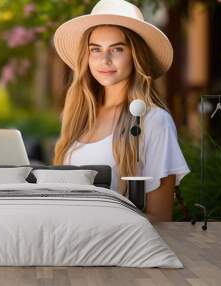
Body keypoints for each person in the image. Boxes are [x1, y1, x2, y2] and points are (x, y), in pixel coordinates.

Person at [52, 0, 190, 222]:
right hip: (66, 244)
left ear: (135, 54)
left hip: (114, 250)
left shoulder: (154, 121)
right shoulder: (79, 117)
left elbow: (161, 217)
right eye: (95, 50)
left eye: (117, 49)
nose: (104, 60)